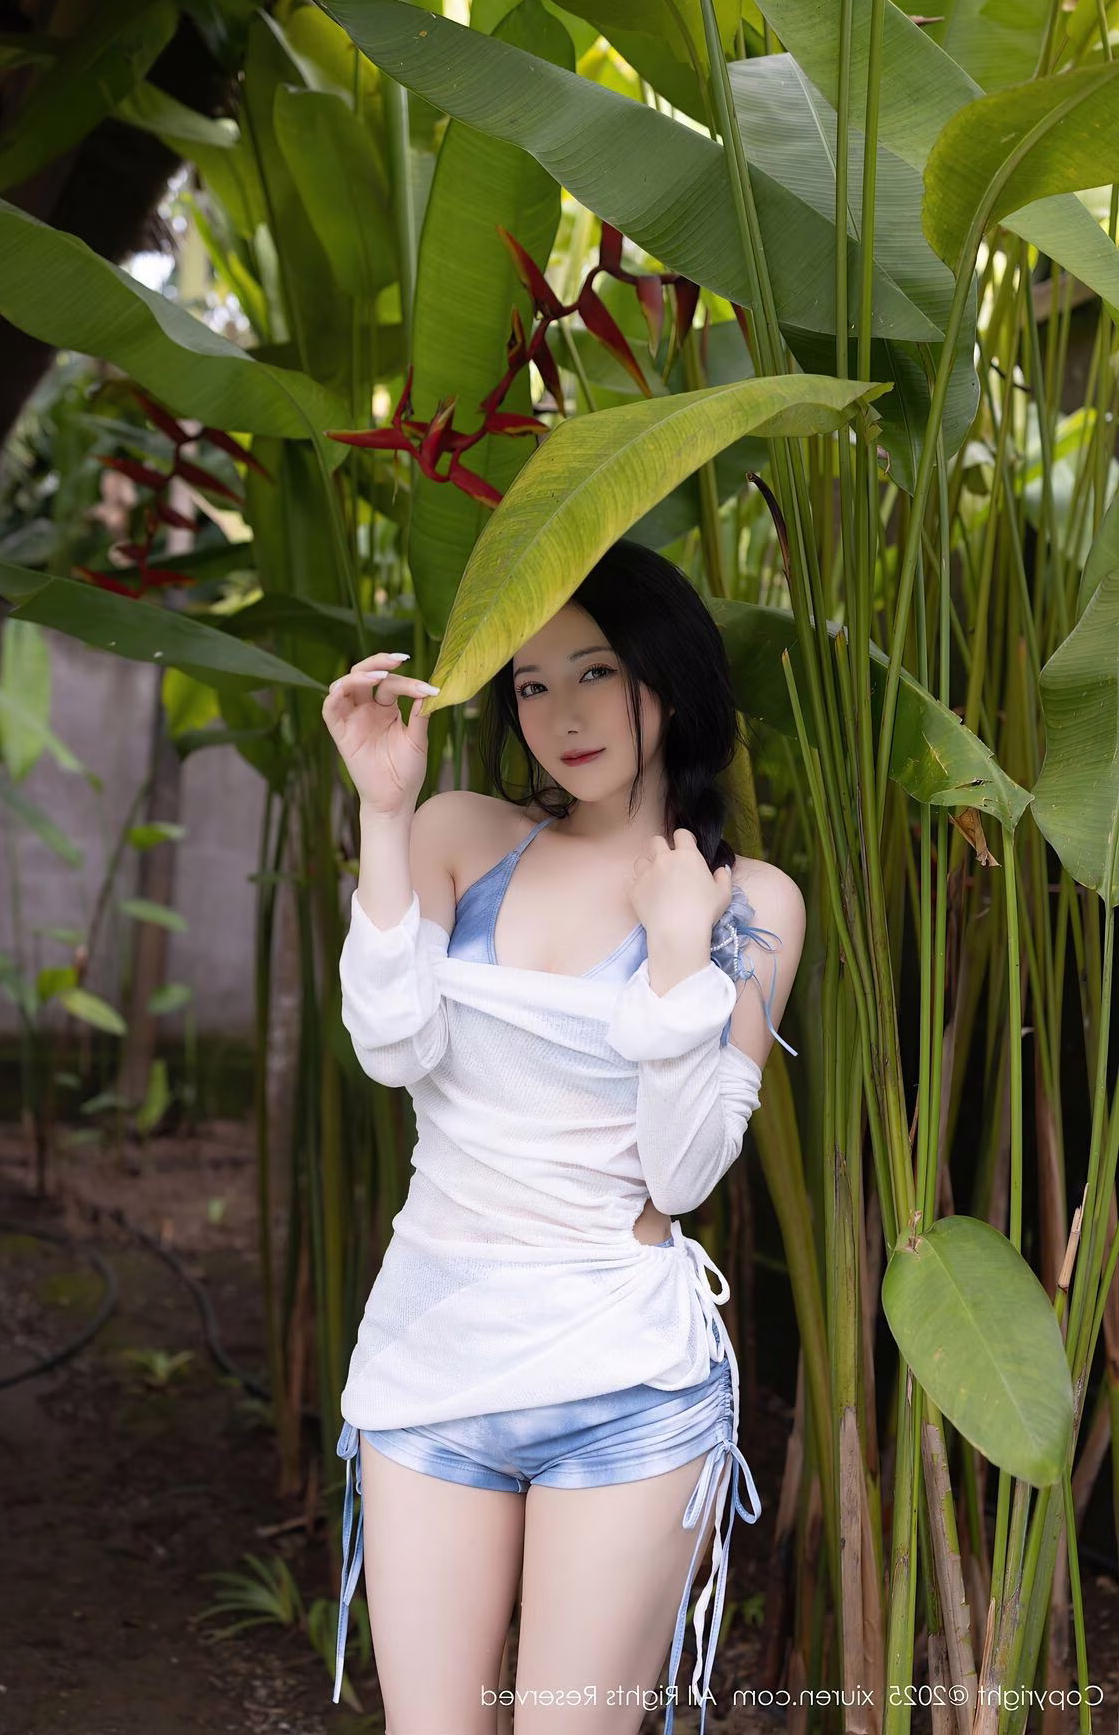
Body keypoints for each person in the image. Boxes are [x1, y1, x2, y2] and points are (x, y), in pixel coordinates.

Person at [320, 540, 805, 1734]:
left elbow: (680, 1176)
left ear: (667, 677)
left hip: (624, 1383)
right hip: (433, 1361)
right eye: (533, 685)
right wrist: (383, 812)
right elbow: (391, 1047)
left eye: (596, 672)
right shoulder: (458, 830)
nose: (563, 715)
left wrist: (680, 952)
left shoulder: (751, 902)